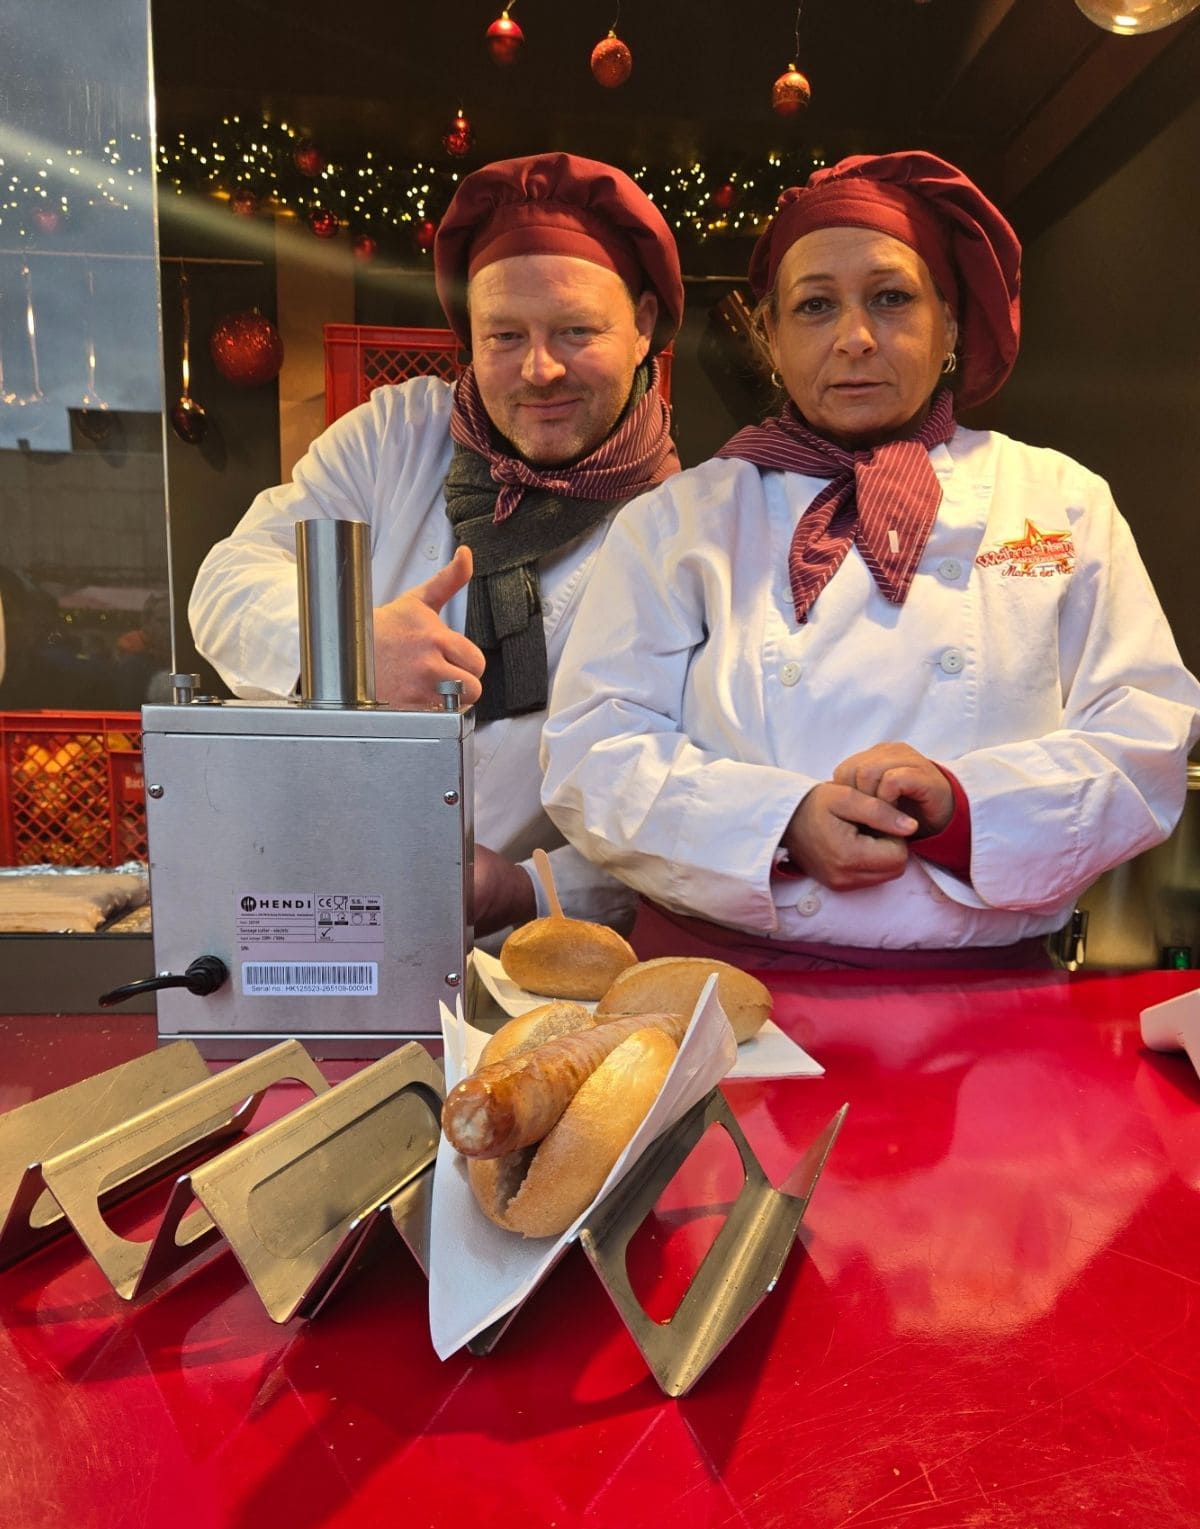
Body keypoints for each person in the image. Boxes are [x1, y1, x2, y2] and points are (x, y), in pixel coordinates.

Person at [541, 151, 1200, 969]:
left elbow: (1146, 739)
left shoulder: (1059, 500)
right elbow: (591, 754)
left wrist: (966, 811)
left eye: (891, 298)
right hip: (727, 987)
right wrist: (779, 822)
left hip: (989, 997)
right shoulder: (680, 520)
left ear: (950, 325)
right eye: (816, 306)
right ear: (772, 337)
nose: (855, 339)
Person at [189, 153, 683, 937]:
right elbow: (228, 579)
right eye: (505, 335)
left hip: (541, 950)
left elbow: (678, 806)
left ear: (644, 325)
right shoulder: (396, 436)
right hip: (324, 907)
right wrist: (343, 652)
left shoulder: (682, 526)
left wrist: (523, 890)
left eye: (576, 331)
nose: (540, 368)